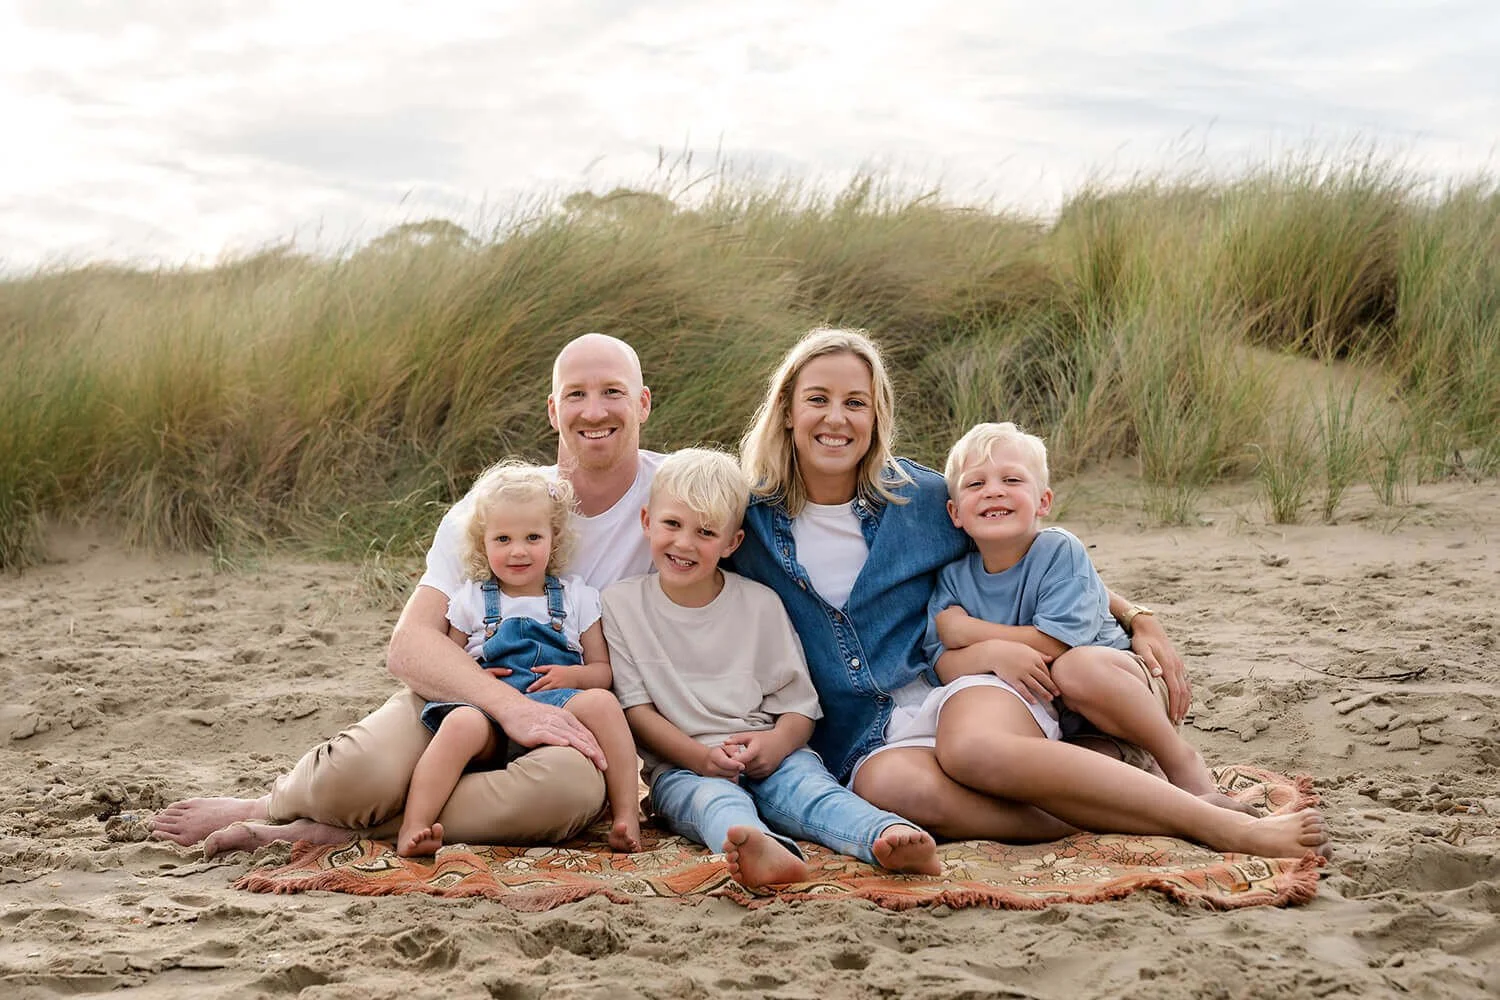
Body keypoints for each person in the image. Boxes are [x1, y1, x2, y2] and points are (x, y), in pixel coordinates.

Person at [731, 327, 1330, 859]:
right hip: (865, 729)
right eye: (818, 400)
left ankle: (1214, 824)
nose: (836, 418)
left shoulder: (920, 500)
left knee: (974, 752)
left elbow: (1024, 549)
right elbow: (680, 543)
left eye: (855, 403)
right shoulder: (747, 521)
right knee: (889, 790)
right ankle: (1113, 811)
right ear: (786, 410)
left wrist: (1138, 616)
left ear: (876, 416)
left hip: (959, 682)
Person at [151, 333, 663, 856]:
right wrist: (507, 706)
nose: (594, 410)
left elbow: (743, 518)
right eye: (575, 394)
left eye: (613, 392)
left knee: (563, 794)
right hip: (464, 696)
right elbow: (411, 643)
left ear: (643, 402)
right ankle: (269, 805)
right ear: (553, 410)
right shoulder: (498, 506)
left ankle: (340, 831)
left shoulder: (673, 496)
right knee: (354, 780)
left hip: (570, 715)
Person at [601, 447, 941, 888]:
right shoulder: (622, 605)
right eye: (672, 524)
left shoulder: (759, 604)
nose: (684, 543)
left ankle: (884, 834)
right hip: (681, 766)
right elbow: (637, 712)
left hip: (769, 751)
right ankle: (757, 845)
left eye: (705, 532)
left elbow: (800, 707)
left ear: (732, 543)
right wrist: (700, 759)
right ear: (647, 521)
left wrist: (776, 746)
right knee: (713, 802)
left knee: (812, 791)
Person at [922, 421, 1254, 815]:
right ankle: (1153, 779)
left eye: (1011, 479)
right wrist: (990, 654)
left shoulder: (1058, 551)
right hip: (1074, 727)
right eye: (975, 484)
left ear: (1043, 501)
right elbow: (942, 662)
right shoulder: (954, 578)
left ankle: (1181, 762)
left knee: (1074, 668)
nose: (993, 490)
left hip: (1123, 687)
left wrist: (971, 631)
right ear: (955, 512)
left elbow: (1055, 644)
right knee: (1082, 787)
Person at [398, 462, 641, 857]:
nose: (518, 550)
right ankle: (415, 823)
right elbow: (448, 659)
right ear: (483, 543)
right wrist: (475, 680)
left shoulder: (577, 596)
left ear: (554, 538)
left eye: (532, 537)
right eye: (503, 539)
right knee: (459, 724)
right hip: (487, 710)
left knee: (604, 703)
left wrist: (574, 677)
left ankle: (626, 814)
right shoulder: (471, 599)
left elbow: (603, 671)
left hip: (556, 702)